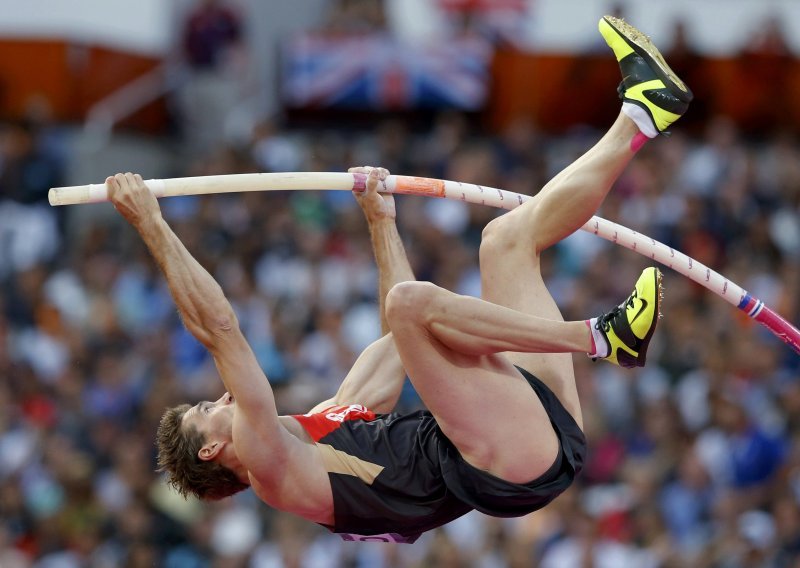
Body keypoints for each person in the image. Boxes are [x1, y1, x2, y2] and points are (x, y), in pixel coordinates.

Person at [106, 16, 692, 543]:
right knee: (414, 306)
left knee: (505, 242)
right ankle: (597, 338)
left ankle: (642, 112)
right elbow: (219, 330)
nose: (225, 395)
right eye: (209, 407)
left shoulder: (332, 420)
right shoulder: (269, 464)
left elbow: (398, 338)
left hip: (526, 427)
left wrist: (381, 222)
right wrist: (152, 225)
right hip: (505, 461)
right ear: (213, 448)